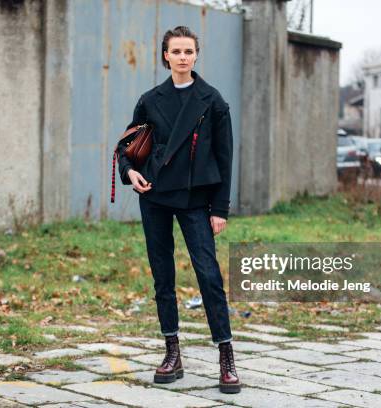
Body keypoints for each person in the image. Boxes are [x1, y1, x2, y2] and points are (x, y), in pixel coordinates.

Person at [116, 26, 240, 394]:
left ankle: (226, 356)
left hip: (195, 200)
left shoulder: (212, 101)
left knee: (209, 275)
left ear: (196, 55)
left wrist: (220, 208)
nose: (183, 57)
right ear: (165, 56)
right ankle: (173, 351)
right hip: (154, 196)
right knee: (162, 277)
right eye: (176, 51)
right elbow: (128, 147)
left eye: (189, 51)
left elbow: (225, 156)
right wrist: (130, 173)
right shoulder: (150, 99)